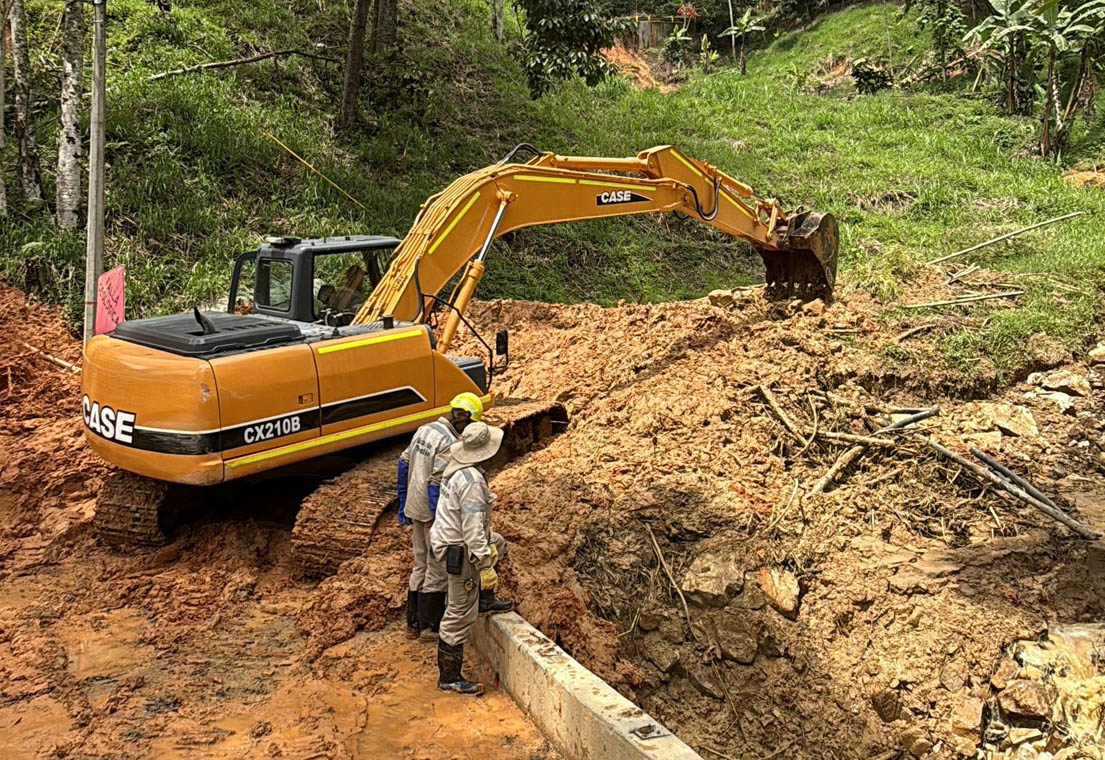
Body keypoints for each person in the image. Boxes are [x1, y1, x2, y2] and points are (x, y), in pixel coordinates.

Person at [429, 421, 514, 695]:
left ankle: (484, 600)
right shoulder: (472, 482)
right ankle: (450, 677)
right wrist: (484, 564)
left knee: (497, 542)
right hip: (459, 549)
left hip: (447, 540)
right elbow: (473, 529)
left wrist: (488, 552)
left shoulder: (458, 470)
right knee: (458, 612)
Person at [397, 392, 484, 640]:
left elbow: (403, 463)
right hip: (429, 511)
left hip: (414, 507)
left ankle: (412, 623)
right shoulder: (448, 442)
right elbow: (437, 482)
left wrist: (403, 501)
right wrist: (440, 522)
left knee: (420, 564)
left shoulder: (425, 429)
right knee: (435, 569)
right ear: (464, 418)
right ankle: (429, 627)